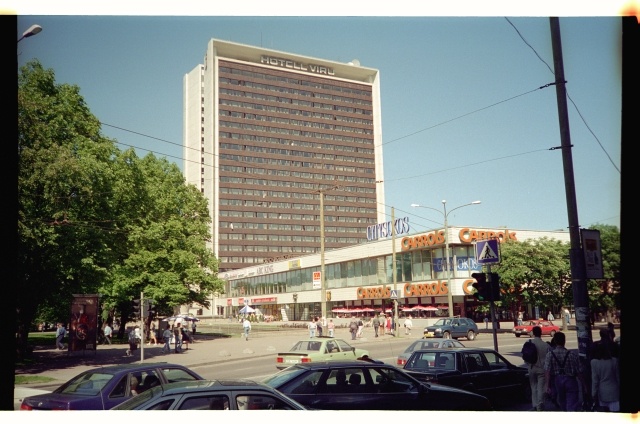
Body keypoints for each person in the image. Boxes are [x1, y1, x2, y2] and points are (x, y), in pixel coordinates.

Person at [544, 331, 587, 411]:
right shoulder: (572, 355)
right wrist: (584, 385)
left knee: (562, 401)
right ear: (564, 341)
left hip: (558, 380)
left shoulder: (550, 355)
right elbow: (579, 372)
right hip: (570, 380)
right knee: (572, 402)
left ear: (555, 341)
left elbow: (547, 371)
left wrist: (547, 386)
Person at [590, 342, 620, 412]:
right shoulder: (614, 361)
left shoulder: (594, 362)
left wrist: (593, 393)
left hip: (602, 393)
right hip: (614, 392)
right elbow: (618, 378)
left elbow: (595, 381)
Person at [528, 325, 550, 411]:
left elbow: (525, 355)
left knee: (533, 386)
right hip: (542, 368)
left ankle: (534, 403)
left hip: (531, 367)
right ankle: (540, 404)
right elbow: (549, 357)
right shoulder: (545, 345)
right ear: (541, 333)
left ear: (533, 333)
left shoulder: (529, 342)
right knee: (541, 387)